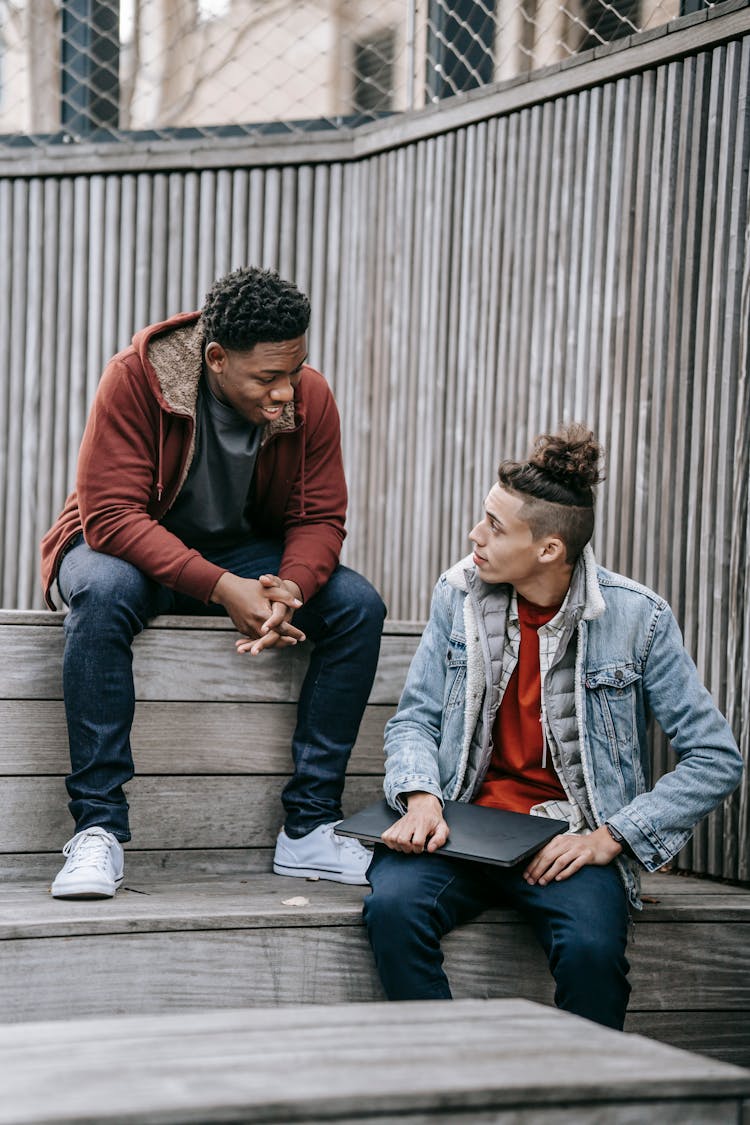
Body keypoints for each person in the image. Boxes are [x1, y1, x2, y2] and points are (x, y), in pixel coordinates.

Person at [363, 424, 742, 1029]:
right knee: (392, 910)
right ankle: (445, 1081)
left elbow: (716, 757)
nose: (474, 535)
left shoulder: (637, 618)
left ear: (548, 550)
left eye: (494, 525)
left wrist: (610, 837)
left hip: (568, 838)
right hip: (462, 821)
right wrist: (421, 798)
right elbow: (415, 718)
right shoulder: (456, 595)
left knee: (592, 953)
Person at [41, 266, 385, 899]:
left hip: (243, 552)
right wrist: (225, 588)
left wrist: (289, 590)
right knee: (104, 594)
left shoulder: (309, 396)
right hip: (124, 546)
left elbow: (318, 517)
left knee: (360, 606)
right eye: (267, 378)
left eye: (294, 370)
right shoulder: (136, 377)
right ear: (217, 358)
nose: (287, 391)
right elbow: (112, 514)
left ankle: (309, 828)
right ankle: (98, 831)